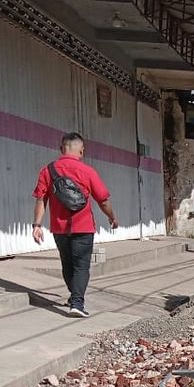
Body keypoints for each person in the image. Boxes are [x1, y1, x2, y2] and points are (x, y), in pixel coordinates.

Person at [31, 132, 118, 317]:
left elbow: (41, 199)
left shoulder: (48, 170)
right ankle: (77, 303)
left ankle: (74, 297)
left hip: (59, 228)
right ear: (81, 150)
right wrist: (112, 217)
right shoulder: (88, 171)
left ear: (61, 148)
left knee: (67, 264)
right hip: (83, 227)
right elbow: (103, 200)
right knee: (81, 266)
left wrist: (36, 225)